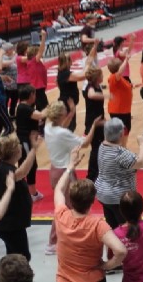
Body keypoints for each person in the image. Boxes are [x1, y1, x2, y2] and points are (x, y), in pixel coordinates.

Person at [54, 147, 127, 282]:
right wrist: (106, 266)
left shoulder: (61, 215)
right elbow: (121, 251)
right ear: (93, 200)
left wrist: (70, 166)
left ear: (70, 199)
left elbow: (58, 189)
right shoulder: (98, 225)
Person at [44, 100, 99, 256]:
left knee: (65, 206)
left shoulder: (49, 127)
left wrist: (72, 113)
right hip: (64, 173)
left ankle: (63, 237)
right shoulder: (62, 133)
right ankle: (53, 242)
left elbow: (62, 127)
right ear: (62, 115)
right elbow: (86, 142)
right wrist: (93, 125)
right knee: (68, 207)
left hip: (55, 170)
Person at [0, 133, 41, 260]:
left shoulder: (6, 167)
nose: (20, 147)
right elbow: (23, 172)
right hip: (9, 225)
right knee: (23, 257)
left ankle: (9, 276)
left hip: (12, 223)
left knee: (13, 255)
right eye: (18, 146)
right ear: (14, 152)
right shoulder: (4, 170)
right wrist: (34, 149)